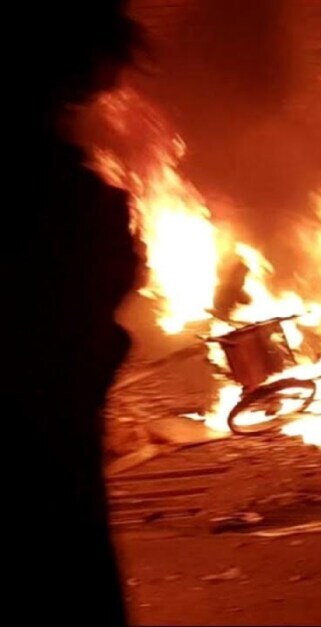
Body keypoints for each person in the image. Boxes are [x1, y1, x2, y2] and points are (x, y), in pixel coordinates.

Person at [22, 2, 141, 624]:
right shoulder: (62, 200)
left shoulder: (73, 196)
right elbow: (75, 357)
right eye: (79, 98)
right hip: (48, 479)